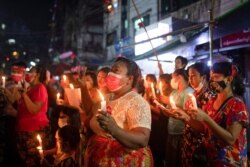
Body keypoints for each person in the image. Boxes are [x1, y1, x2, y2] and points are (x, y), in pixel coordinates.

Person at [84, 57, 153, 166]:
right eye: (111, 70)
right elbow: (91, 121)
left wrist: (114, 129)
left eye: (116, 71)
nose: (110, 74)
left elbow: (142, 139)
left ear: (129, 79)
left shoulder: (136, 102)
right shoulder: (107, 98)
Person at [190, 61, 248, 166]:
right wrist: (185, 118)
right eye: (211, 77)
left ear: (229, 79)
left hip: (229, 162)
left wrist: (206, 118)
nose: (212, 81)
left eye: (216, 77)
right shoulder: (211, 101)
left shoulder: (237, 105)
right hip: (211, 160)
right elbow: (204, 128)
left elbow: (230, 139)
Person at [180, 62, 215, 167]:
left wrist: (185, 118)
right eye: (189, 76)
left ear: (203, 77)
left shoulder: (210, 97)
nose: (190, 79)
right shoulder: (193, 95)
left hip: (200, 147)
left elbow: (206, 127)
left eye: (193, 75)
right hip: (189, 142)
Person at [15, 65, 49, 167]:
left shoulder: (40, 88)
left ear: (37, 75)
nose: (28, 74)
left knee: (33, 161)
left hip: (33, 132)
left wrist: (24, 95)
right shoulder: (29, 88)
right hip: (23, 131)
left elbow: (34, 110)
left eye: (31, 71)